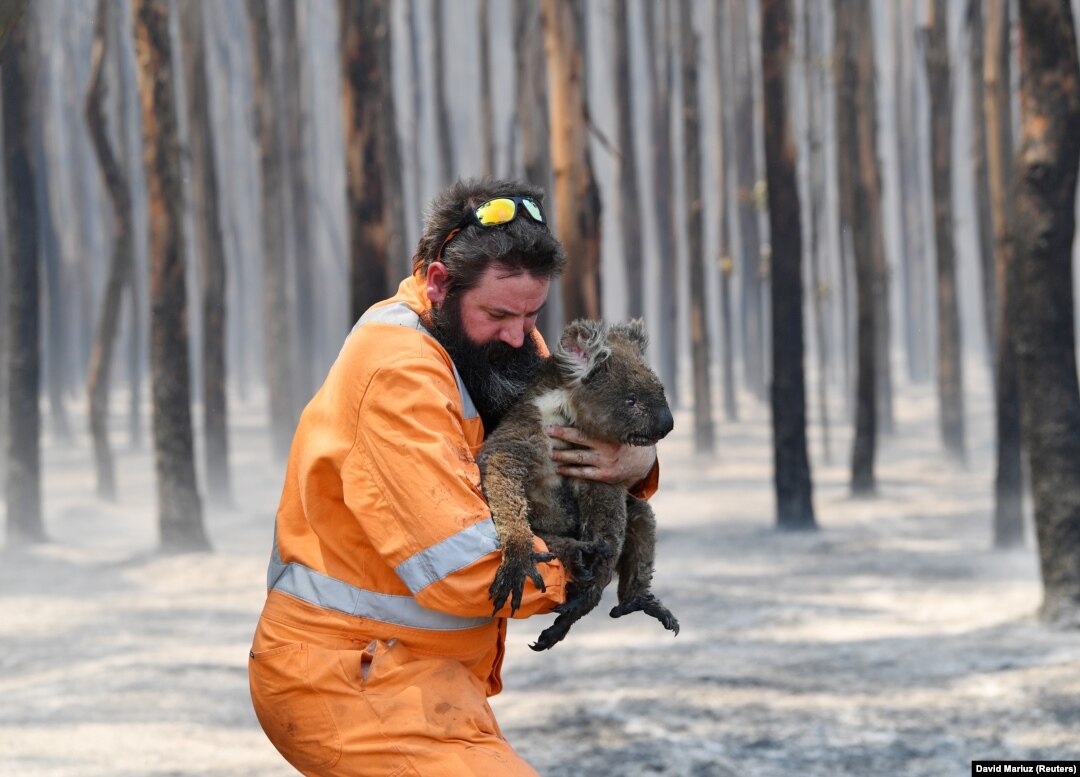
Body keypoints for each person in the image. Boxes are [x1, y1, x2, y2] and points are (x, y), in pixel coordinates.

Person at [248, 178, 660, 776]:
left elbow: (580, 439)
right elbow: (463, 566)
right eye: (499, 313)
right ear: (440, 283)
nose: (522, 335)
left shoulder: (493, 342)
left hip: (424, 677)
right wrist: (585, 567)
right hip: (349, 680)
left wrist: (638, 465)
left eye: (532, 313)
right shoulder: (399, 373)